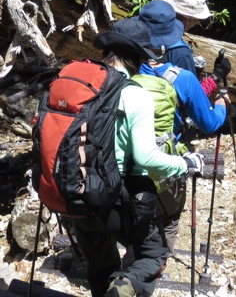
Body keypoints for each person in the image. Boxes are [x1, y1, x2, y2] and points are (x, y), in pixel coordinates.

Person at [72, 17, 205, 297]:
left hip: (73, 189)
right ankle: (127, 284)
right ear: (138, 57)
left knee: (99, 266)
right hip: (112, 195)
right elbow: (145, 157)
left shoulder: (81, 87)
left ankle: (110, 286)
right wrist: (185, 163)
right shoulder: (135, 94)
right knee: (154, 254)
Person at [136, 1, 230, 254]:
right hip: (165, 161)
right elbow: (209, 123)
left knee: (135, 219)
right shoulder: (183, 78)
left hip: (126, 160)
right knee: (169, 217)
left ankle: (133, 261)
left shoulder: (125, 70)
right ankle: (156, 266)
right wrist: (221, 104)